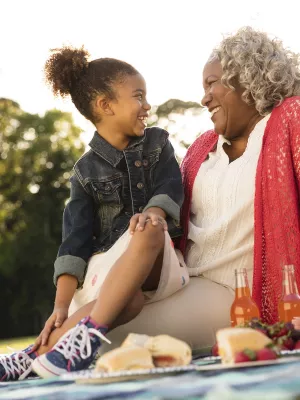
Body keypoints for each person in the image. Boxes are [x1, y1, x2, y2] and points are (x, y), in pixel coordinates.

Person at [84, 26, 300, 356]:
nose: (204, 98)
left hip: (236, 294)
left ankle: (40, 357)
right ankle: (36, 356)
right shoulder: (202, 150)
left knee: (111, 332)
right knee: (93, 306)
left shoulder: (289, 120)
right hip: (182, 281)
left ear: (248, 78)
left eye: (212, 83)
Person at [0, 46, 188, 381]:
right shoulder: (84, 172)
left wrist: (154, 211)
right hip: (109, 270)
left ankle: (59, 347)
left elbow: (170, 183)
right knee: (127, 304)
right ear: (105, 105)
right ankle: (36, 357)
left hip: (158, 259)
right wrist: (60, 306)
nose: (147, 106)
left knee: (149, 227)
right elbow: (73, 242)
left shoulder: (158, 143)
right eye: (139, 96)